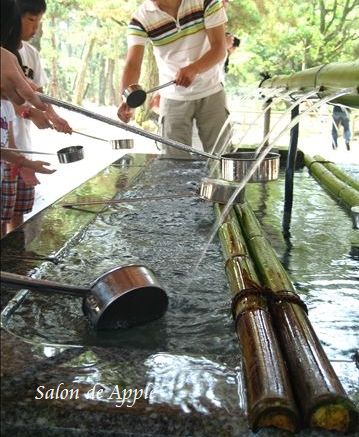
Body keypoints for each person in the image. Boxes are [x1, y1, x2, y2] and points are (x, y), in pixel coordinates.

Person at [117, 0, 231, 159]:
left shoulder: (207, 2)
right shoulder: (140, 18)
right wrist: (127, 98)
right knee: (173, 164)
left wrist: (194, 69)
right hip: (172, 98)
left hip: (211, 91)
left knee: (222, 159)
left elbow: (219, 49)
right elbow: (132, 64)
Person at [2, 0, 72, 234]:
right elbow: (17, 104)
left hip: (17, 148)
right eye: (30, 20)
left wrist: (52, 116)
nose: (35, 28)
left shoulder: (26, 55)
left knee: (14, 211)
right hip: (11, 150)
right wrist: (30, 112)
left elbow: (34, 96)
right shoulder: (7, 57)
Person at [1, 98, 55, 237]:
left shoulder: (7, 106)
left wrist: (23, 166)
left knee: (5, 218)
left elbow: (10, 146)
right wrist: (26, 164)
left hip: (4, 171)